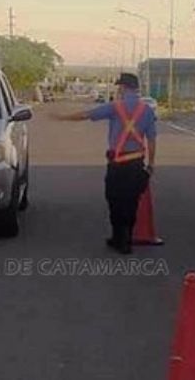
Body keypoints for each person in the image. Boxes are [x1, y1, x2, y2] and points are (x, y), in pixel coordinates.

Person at [53, 73, 156, 254]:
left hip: (117, 164)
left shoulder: (115, 107)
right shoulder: (147, 110)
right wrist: (151, 165)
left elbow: (87, 115)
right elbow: (152, 139)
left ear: (123, 88)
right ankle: (127, 239)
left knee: (114, 199)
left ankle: (118, 238)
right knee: (131, 201)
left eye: (119, 87)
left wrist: (62, 118)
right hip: (136, 164)